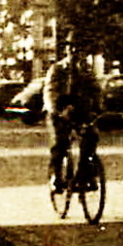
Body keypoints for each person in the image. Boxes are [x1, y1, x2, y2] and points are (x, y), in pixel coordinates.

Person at [44, 51, 100, 190]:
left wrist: (98, 108)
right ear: (67, 51)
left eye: (79, 49)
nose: (76, 53)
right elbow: (50, 91)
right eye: (72, 49)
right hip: (59, 112)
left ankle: (85, 174)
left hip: (79, 111)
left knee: (91, 136)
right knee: (60, 142)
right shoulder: (57, 69)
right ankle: (56, 177)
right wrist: (58, 110)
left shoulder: (86, 70)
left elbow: (96, 90)